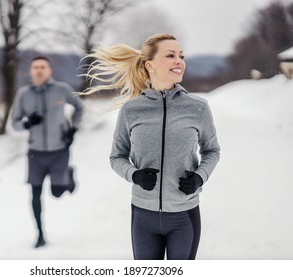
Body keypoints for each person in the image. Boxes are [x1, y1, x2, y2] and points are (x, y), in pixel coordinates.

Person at [81, 34, 220, 259]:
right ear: (150, 65)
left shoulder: (198, 108)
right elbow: (117, 156)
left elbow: (212, 150)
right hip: (143, 217)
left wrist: (199, 177)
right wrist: (134, 175)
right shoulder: (132, 110)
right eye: (171, 55)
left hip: (184, 215)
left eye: (181, 56)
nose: (179, 61)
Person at [12, 55, 84, 248]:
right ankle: (40, 235)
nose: (39, 70)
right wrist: (27, 123)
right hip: (35, 153)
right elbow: (15, 124)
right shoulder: (23, 94)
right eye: (35, 67)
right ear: (31, 71)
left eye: (43, 67)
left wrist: (73, 128)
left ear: (49, 70)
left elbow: (79, 107)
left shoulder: (62, 89)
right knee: (35, 194)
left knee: (57, 193)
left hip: (59, 150)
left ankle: (68, 175)